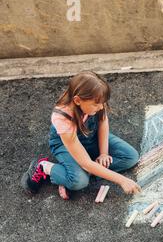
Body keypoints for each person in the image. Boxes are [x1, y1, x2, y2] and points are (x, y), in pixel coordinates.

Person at [21, 71, 141, 199]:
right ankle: (44, 167)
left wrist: (104, 153)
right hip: (65, 144)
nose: (101, 107)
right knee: (79, 181)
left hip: (90, 136)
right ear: (77, 100)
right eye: (96, 104)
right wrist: (122, 180)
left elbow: (103, 122)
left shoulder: (96, 98)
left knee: (130, 157)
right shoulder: (62, 117)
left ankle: (72, 174)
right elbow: (85, 163)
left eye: (102, 103)